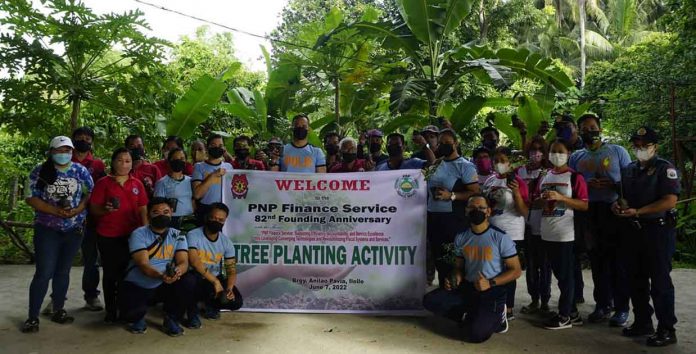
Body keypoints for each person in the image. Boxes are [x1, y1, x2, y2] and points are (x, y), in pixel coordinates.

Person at [613, 127, 680, 347]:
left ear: (655, 146)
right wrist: (618, 206)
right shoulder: (629, 169)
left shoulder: (664, 168)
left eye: (645, 145)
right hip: (633, 231)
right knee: (636, 279)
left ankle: (667, 328)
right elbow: (623, 197)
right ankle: (643, 321)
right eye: (637, 145)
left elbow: (670, 200)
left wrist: (639, 211)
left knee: (660, 281)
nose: (640, 149)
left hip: (658, 231)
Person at [423, 195, 522, 343]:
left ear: (488, 211)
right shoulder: (461, 237)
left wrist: (490, 283)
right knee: (430, 301)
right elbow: (458, 266)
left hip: (492, 291)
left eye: (481, 208)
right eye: (472, 208)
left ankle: (499, 315)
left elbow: (516, 271)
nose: (476, 211)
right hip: (469, 288)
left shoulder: (500, 237)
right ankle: (471, 314)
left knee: (474, 335)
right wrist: (455, 277)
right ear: (466, 211)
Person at [21, 136, 94, 333]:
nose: (64, 154)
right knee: (44, 272)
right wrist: (54, 211)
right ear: (51, 152)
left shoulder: (80, 171)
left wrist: (78, 209)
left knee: (63, 271)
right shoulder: (40, 171)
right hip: (47, 229)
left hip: (74, 229)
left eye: (67, 150)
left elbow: (89, 193)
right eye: (60, 150)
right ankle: (32, 317)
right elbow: (30, 197)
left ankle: (58, 309)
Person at [569, 113, 632, 326]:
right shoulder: (576, 157)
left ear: (600, 129)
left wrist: (612, 187)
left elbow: (631, 182)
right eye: (585, 128)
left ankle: (621, 307)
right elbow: (572, 186)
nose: (590, 131)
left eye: (593, 127)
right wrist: (587, 187)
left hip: (613, 211)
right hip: (589, 213)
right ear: (578, 132)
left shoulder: (617, 151)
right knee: (597, 260)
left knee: (618, 261)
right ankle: (602, 304)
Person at [119, 197, 193, 336]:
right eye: (156, 212)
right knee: (129, 315)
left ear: (171, 212)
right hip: (140, 283)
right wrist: (161, 276)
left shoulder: (178, 235)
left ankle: (171, 318)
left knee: (188, 281)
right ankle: (138, 318)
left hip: (165, 283)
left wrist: (177, 272)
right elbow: (143, 264)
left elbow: (184, 262)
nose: (162, 215)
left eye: (166, 211)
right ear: (148, 214)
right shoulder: (139, 233)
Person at [90, 148, 148, 323]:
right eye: (120, 160)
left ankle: (126, 309)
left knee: (128, 272)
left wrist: (146, 230)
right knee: (110, 273)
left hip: (133, 235)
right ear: (113, 162)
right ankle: (110, 310)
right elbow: (94, 209)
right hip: (108, 234)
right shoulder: (103, 183)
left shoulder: (137, 184)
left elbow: (143, 208)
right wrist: (105, 209)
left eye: (128, 161)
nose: (124, 164)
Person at [540, 139, 589, 330]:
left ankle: (564, 315)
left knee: (566, 276)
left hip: (565, 233)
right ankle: (573, 312)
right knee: (559, 274)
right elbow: (537, 203)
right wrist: (540, 200)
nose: (556, 155)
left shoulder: (575, 177)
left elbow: (584, 204)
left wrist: (561, 198)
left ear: (569, 153)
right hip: (547, 231)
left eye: (561, 151)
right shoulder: (546, 176)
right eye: (553, 151)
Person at [427, 129, 480, 288]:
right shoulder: (436, 164)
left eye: (447, 143)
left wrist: (452, 195)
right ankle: (445, 294)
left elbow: (475, 192)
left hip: (454, 220)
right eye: (440, 143)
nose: (443, 145)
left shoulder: (465, 166)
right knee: (439, 260)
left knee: (455, 261)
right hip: (433, 218)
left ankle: (459, 297)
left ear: (455, 143)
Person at [482, 146, 529, 320]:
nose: (499, 164)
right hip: (491, 231)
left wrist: (516, 193)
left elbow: (524, 212)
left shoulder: (518, 182)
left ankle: (508, 308)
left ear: (510, 163)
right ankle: (495, 304)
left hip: (512, 233)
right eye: (496, 161)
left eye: (503, 161)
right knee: (493, 269)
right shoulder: (489, 181)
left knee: (509, 271)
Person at [184, 203, 243, 327]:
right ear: (207, 217)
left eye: (221, 220)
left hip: (212, 279)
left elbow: (231, 270)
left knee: (236, 301)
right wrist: (215, 282)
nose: (217, 221)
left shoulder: (226, 242)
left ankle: (210, 305)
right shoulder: (193, 234)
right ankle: (192, 312)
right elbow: (194, 262)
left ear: (225, 221)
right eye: (214, 218)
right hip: (196, 277)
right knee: (189, 281)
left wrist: (229, 289)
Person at [553, 113, 587, 305]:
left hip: (585, 204)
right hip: (563, 212)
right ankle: (575, 295)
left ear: (575, 127)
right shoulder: (557, 147)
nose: (562, 131)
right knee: (570, 258)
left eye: (566, 126)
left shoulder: (584, 148)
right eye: (559, 128)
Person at [71, 126, 106, 312]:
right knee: (61, 260)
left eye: (87, 138)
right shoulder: (64, 159)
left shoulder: (98, 165)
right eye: (79, 137)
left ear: (92, 141)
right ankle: (56, 298)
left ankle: (91, 296)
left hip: (91, 220)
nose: (83, 140)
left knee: (91, 259)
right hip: (65, 217)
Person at [517, 136, 552, 315]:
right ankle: (534, 299)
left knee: (544, 265)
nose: (536, 153)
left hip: (543, 224)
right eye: (532, 149)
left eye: (539, 149)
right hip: (525, 225)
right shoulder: (519, 171)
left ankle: (545, 300)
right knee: (531, 265)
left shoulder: (548, 172)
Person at [192, 134, 234, 226]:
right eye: (213, 145)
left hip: (224, 210)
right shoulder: (199, 167)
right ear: (207, 147)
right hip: (206, 211)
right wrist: (213, 175)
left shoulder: (229, 167)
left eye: (220, 145)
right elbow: (197, 194)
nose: (217, 148)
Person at [154, 148, 195, 230]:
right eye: (175, 159)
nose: (178, 161)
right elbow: (157, 205)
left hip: (189, 219)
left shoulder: (190, 181)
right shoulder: (162, 183)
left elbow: (193, 200)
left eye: (182, 159)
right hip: (171, 220)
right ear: (169, 161)